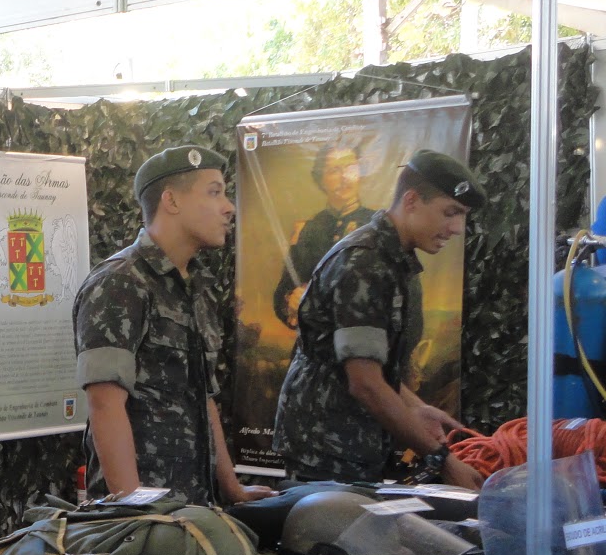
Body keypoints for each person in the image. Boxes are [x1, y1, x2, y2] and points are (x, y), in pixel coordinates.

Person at [74, 145, 275, 506]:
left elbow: (203, 396)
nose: (228, 207)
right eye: (214, 192)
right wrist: (134, 509)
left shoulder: (196, 285)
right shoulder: (120, 283)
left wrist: (232, 488)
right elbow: (104, 403)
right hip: (146, 508)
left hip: (194, 502)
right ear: (171, 200)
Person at [273, 149, 485, 491]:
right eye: (450, 213)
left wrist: (416, 407)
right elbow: (365, 383)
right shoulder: (366, 263)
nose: (457, 228)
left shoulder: (391, 258)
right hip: (328, 451)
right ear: (411, 201)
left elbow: (368, 366)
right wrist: (442, 462)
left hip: (350, 445)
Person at [272, 144, 378, 328]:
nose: (344, 177)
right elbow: (285, 288)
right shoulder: (308, 229)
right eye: (334, 170)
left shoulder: (378, 224)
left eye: (350, 168)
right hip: (317, 337)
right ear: (321, 180)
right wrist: (292, 299)